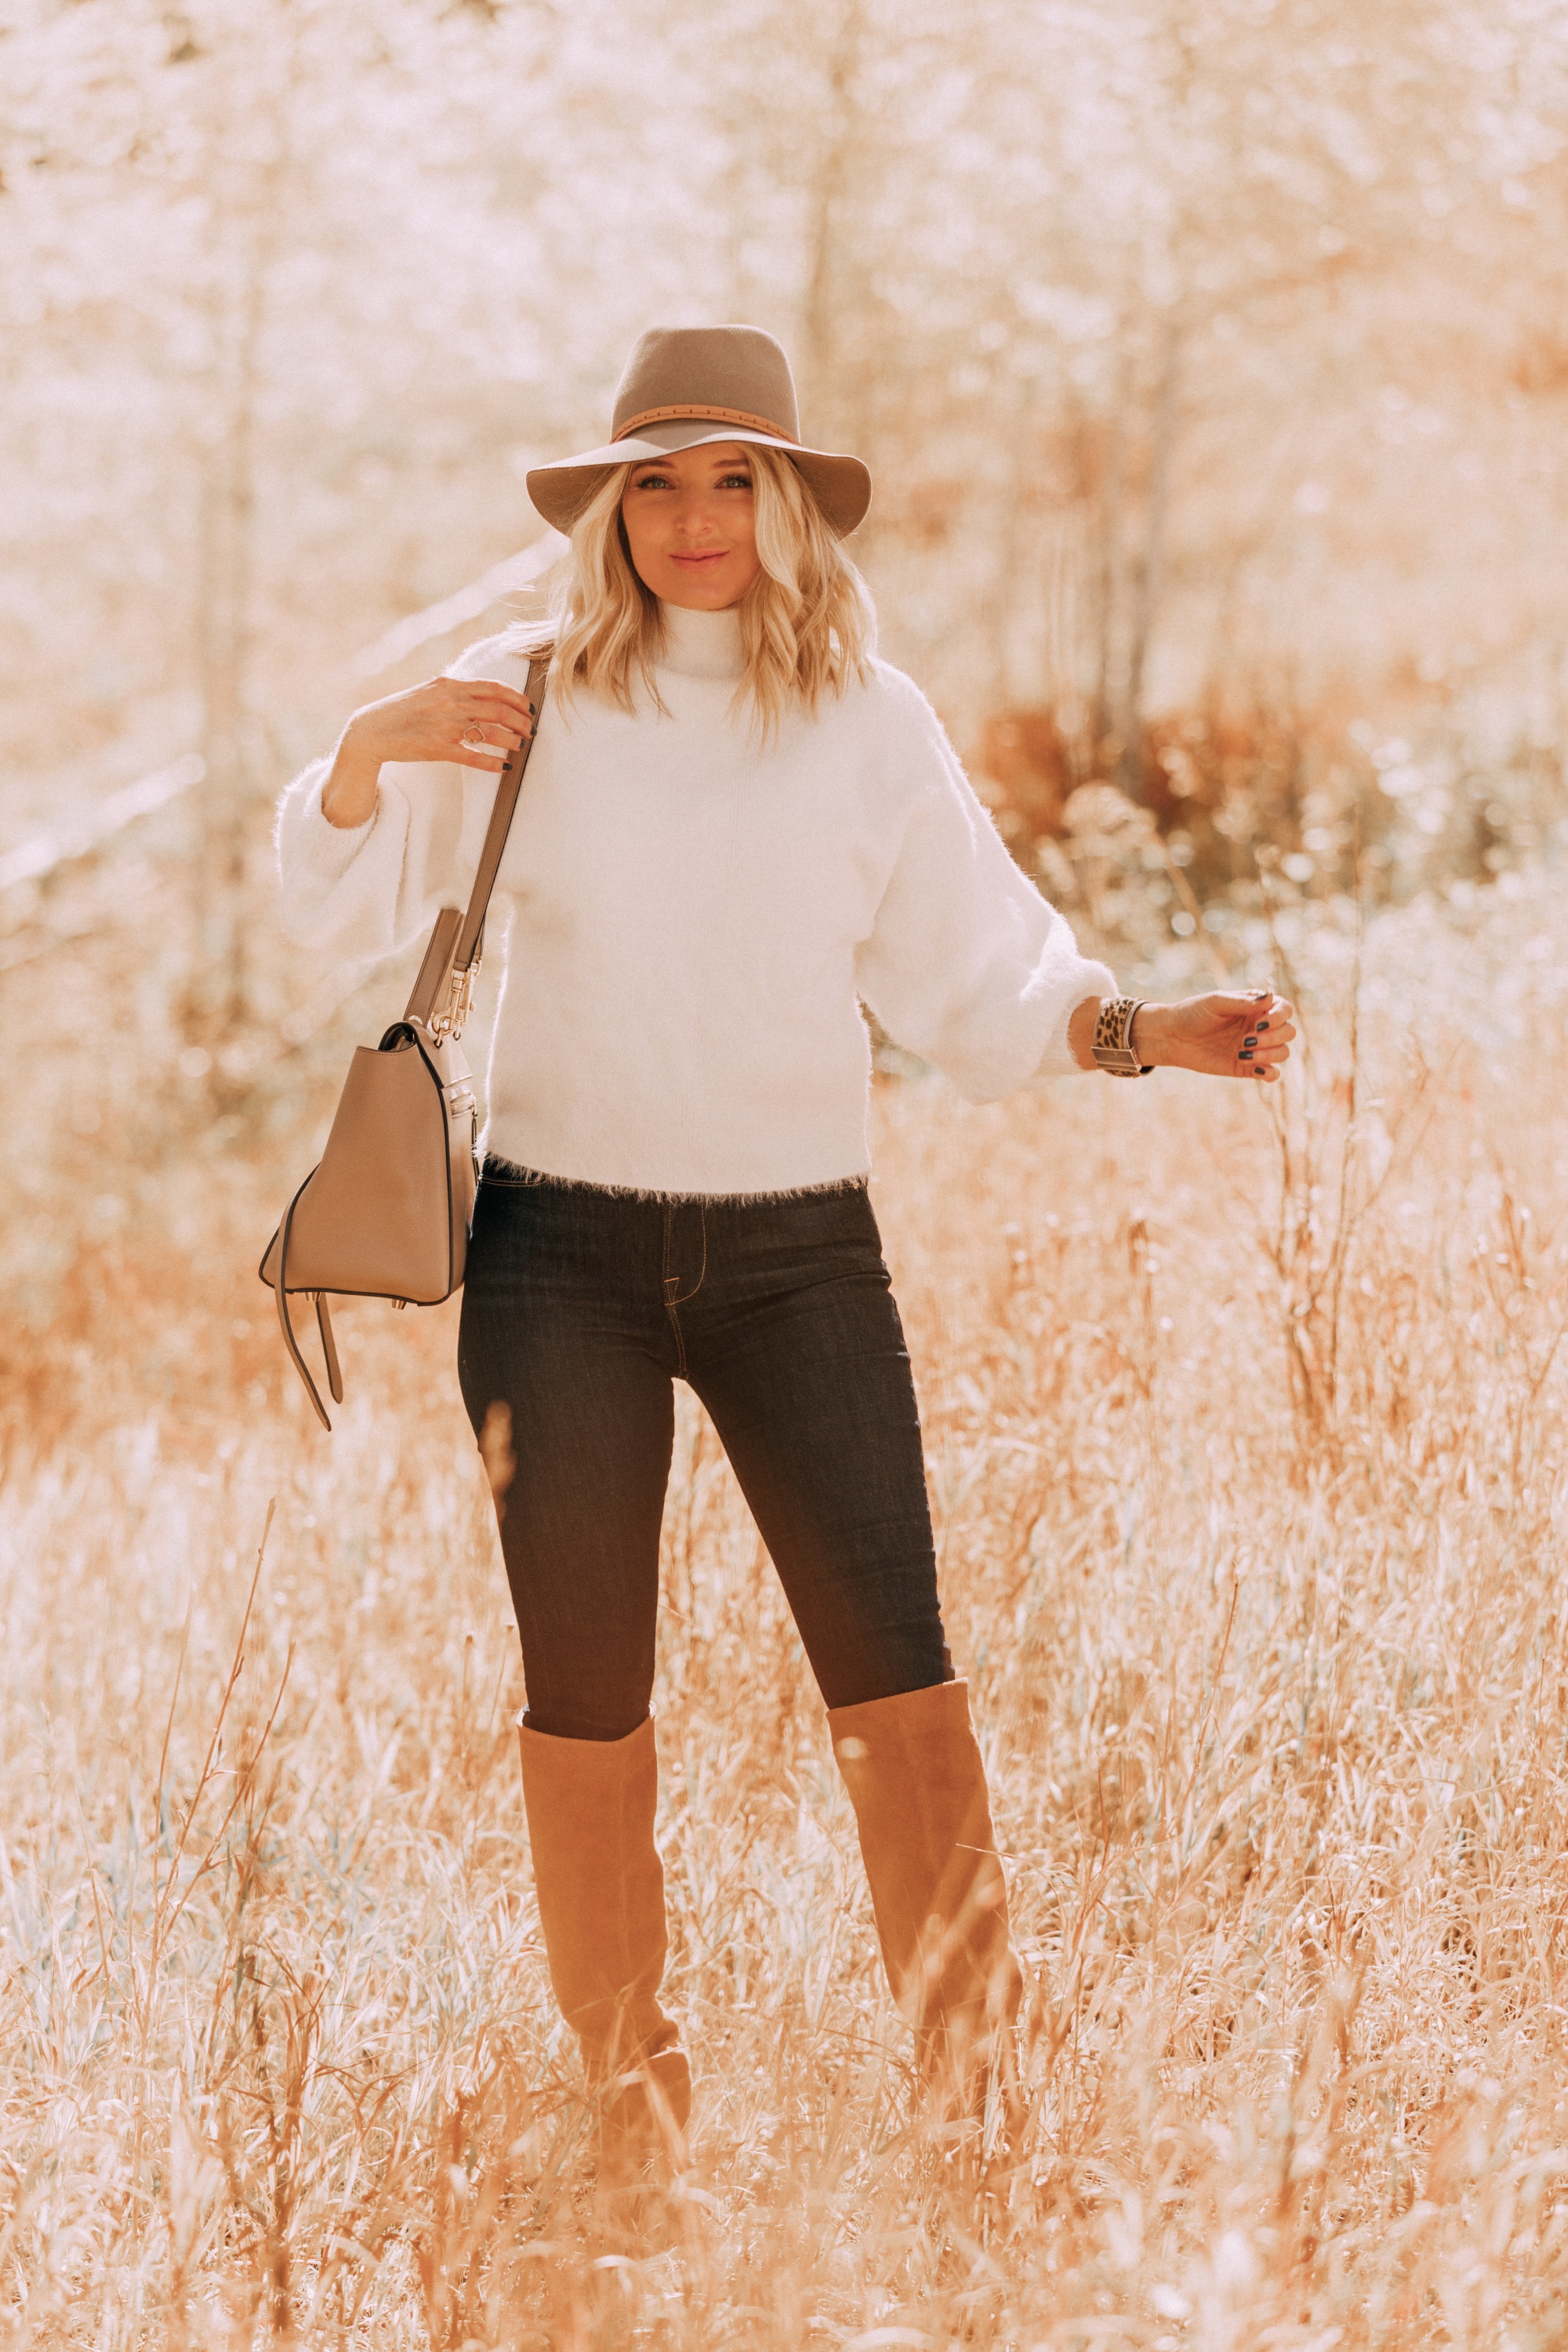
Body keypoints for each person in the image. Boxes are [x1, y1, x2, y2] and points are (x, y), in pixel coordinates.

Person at [276, 325, 1294, 2172]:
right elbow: (334, 919)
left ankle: (977, 2102)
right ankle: (628, 2113)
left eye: (730, 478)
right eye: (651, 482)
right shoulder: (518, 697)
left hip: (796, 1262)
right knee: (584, 1698)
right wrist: (365, 750)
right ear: (604, 511)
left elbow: (978, 974)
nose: (690, 517)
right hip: (551, 1261)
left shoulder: (861, 717)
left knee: (894, 1676)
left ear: (788, 503)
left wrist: (1143, 1030)